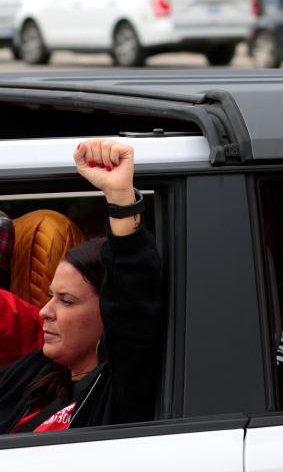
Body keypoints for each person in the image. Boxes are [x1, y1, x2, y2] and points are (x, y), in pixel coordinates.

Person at [0, 139, 162, 433]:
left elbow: (133, 291)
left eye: (67, 300)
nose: (44, 312)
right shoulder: (35, 373)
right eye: (51, 297)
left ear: (108, 313)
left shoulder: (115, 391)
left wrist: (120, 197)